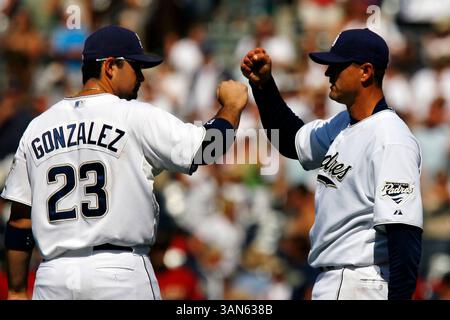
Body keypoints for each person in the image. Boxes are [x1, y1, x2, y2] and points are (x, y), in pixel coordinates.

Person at [1, 25, 248, 300]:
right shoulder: (133, 116)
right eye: (135, 66)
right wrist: (232, 106)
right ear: (110, 67)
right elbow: (206, 149)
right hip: (119, 272)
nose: (141, 76)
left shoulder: (37, 127)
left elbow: (20, 222)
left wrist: (17, 289)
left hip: (53, 277)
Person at [241, 28, 423, 300]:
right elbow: (293, 141)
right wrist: (264, 86)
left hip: (361, 282)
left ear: (365, 71)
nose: (327, 73)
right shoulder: (343, 124)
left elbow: (404, 236)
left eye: (337, 66)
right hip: (337, 280)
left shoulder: (391, 138)